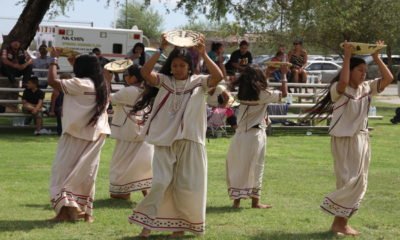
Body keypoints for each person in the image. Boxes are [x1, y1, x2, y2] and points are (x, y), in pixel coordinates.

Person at [128, 34, 223, 238]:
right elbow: (145, 72)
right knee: (161, 182)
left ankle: (178, 229)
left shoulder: (199, 82)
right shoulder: (164, 81)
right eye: (175, 65)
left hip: (190, 140)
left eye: (182, 65)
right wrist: (161, 50)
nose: (178, 68)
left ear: (189, 67)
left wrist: (204, 54)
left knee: (187, 187)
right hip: (164, 140)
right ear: (170, 66)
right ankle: (146, 226)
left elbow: (218, 77)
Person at [305, 41, 393, 236]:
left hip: (361, 139)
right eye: (360, 70)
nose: (364, 74)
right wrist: (346, 56)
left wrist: (377, 57)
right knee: (347, 181)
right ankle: (338, 219)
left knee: (360, 182)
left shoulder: (367, 88)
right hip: (343, 139)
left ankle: (340, 222)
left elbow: (389, 78)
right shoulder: (338, 89)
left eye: (365, 70)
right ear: (350, 70)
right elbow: (344, 83)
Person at [48, 49, 111, 223]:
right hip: (96, 135)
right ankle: (81, 213)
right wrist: (75, 62)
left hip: (76, 134)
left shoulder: (80, 84)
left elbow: (52, 81)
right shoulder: (102, 85)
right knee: (86, 174)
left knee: (62, 173)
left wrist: (53, 59)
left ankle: (67, 212)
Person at [226, 65, 288, 209]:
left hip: (240, 135)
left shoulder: (242, 92)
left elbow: (259, 88)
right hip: (255, 135)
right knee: (256, 167)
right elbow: (283, 94)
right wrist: (283, 75)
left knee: (240, 167)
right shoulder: (263, 95)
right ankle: (255, 202)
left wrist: (266, 74)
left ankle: (237, 201)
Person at [105, 64, 156, 200]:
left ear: (134, 77)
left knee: (121, 164)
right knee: (143, 164)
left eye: (126, 75)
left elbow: (110, 98)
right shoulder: (147, 90)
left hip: (128, 133)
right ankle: (145, 192)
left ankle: (123, 191)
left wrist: (107, 80)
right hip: (143, 133)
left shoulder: (129, 91)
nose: (125, 78)